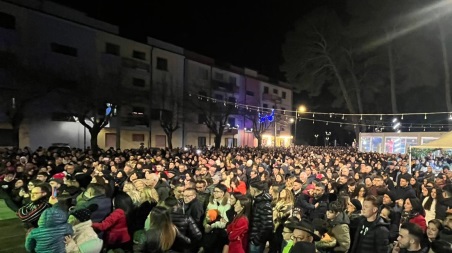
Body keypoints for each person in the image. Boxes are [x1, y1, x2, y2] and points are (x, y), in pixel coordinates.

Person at [249, 181, 274, 253]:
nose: (249, 191)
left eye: (250, 189)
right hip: (253, 237)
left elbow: (267, 225)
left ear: (254, 190)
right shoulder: (257, 201)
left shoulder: (264, 204)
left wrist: (256, 240)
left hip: (256, 242)